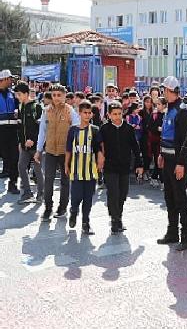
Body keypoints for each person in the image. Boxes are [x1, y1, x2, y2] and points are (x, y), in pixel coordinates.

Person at [156, 76, 187, 252]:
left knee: (180, 199)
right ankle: (172, 233)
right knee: (169, 198)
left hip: (178, 163)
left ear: (172, 91)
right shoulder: (168, 109)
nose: (163, 92)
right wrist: (161, 154)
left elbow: (186, 140)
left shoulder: (182, 111)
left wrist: (181, 164)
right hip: (167, 160)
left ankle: (186, 236)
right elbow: (166, 135)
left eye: (165, 89)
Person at [35, 85, 80, 221]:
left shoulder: (70, 111)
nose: (56, 98)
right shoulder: (46, 111)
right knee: (48, 180)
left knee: (65, 181)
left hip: (65, 152)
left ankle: (62, 208)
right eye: (53, 95)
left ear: (64, 96)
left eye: (59, 95)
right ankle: (48, 208)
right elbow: (42, 132)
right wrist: (38, 150)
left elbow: (77, 131)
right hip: (49, 152)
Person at [98, 101, 143, 234]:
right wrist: (99, 158)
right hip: (109, 167)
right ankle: (114, 220)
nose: (117, 117)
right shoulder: (104, 129)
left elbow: (135, 147)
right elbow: (97, 145)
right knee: (113, 193)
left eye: (119, 114)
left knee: (123, 193)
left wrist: (139, 164)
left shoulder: (128, 129)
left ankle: (119, 217)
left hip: (124, 167)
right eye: (114, 114)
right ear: (109, 115)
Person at [65, 101, 102, 235]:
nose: (87, 115)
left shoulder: (95, 130)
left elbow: (99, 149)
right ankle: (73, 212)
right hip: (76, 171)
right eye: (84, 112)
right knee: (76, 197)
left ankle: (86, 223)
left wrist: (100, 161)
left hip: (91, 171)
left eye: (89, 113)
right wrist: (66, 164)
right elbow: (69, 149)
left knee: (88, 198)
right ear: (79, 113)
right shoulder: (73, 130)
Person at [15, 82, 44, 204]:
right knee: (21, 167)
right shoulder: (20, 107)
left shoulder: (37, 107)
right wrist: (20, 142)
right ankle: (27, 193)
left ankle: (41, 194)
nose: (18, 96)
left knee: (37, 170)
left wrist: (33, 139)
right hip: (24, 146)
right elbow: (21, 127)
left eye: (19, 94)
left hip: (36, 145)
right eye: (16, 94)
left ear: (26, 94)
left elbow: (40, 127)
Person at [0, 70, 20, 194]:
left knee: (14, 158)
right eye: (10, 79)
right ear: (4, 79)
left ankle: (13, 184)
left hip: (12, 131)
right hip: (0, 131)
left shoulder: (13, 94)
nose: (12, 81)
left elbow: (19, 107)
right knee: (6, 157)